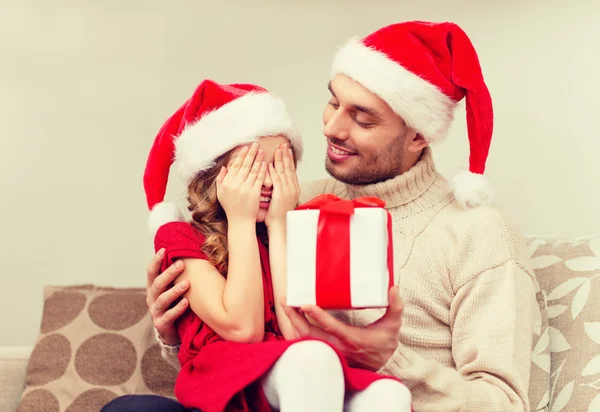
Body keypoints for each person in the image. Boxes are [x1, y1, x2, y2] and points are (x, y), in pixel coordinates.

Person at [105, 20, 544, 412]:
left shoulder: (479, 234)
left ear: (417, 136)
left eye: (362, 119)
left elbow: (504, 404)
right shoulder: (291, 201)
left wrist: (388, 359)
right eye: (333, 103)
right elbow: (239, 340)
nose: (331, 129)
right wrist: (175, 328)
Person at [102, 79, 412, 412]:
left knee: (389, 395)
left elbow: (296, 334)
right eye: (252, 168)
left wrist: (279, 225)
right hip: (229, 381)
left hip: (289, 376)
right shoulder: (180, 236)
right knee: (312, 357)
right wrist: (240, 221)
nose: (267, 181)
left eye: (280, 167)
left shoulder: (296, 232)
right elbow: (243, 328)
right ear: (214, 174)